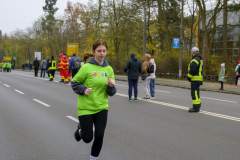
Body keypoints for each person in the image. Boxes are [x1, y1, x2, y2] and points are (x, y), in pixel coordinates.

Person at [71, 39, 116, 160]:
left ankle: (93, 158)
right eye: (99, 51)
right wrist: (83, 89)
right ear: (93, 52)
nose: (102, 53)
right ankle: (80, 130)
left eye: (104, 51)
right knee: (87, 138)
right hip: (86, 107)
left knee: (100, 135)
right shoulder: (86, 67)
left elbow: (111, 93)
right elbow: (74, 82)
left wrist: (111, 86)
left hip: (102, 107)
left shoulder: (109, 69)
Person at [187, 47, 203, 112]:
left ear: (193, 52)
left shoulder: (194, 60)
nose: (191, 53)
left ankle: (195, 108)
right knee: (196, 93)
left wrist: (189, 77)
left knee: (194, 93)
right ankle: (197, 106)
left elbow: (193, 70)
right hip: (198, 79)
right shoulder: (199, 59)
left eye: (191, 52)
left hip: (195, 79)